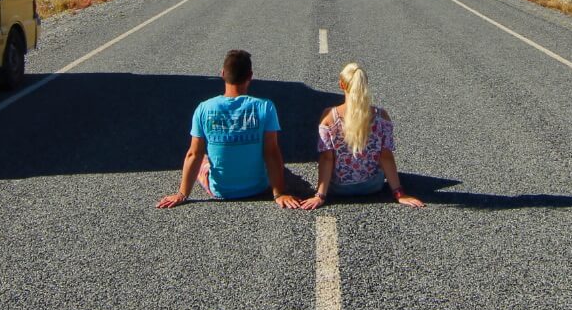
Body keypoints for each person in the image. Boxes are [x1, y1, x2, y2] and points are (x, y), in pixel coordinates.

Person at [156, 50, 302, 209]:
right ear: (250, 76)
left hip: (219, 191)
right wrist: (279, 193)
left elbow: (194, 154)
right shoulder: (265, 107)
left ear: (223, 74)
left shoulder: (204, 108)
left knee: (203, 158)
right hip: (258, 187)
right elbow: (271, 152)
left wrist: (182, 194)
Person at [301, 62, 424, 209]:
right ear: (365, 85)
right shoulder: (381, 116)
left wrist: (320, 196)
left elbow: (326, 158)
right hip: (372, 186)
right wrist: (399, 193)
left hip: (338, 188)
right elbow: (386, 156)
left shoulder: (330, 117)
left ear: (341, 84)